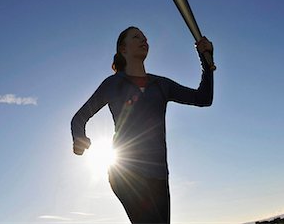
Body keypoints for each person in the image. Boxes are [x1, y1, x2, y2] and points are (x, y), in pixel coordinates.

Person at [71, 26, 214, 224]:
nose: (143, 40)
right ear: (123, 49)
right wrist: (80, 137)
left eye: (145, 37)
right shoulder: (112, 85)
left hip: (159, 175)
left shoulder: (161, 84)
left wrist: (206, 61)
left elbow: (203, 98)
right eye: (136, 37)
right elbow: (79, 117)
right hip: (126, 173)